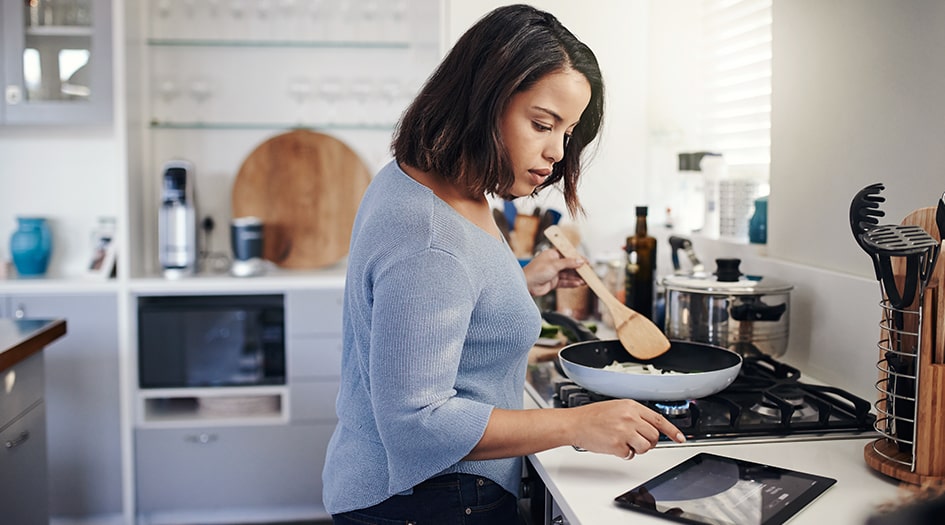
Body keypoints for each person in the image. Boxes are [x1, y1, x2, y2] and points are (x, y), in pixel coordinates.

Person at [322, 5, 685, 524]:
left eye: (568, 131)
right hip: (421, 503)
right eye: (542, 124)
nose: (558, 151)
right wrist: (576, 424)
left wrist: (518, 281)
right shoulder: (427, 237)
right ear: (483, 98)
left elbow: (436, 303)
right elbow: (417, 422)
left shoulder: (436, 180)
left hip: (415, 493)